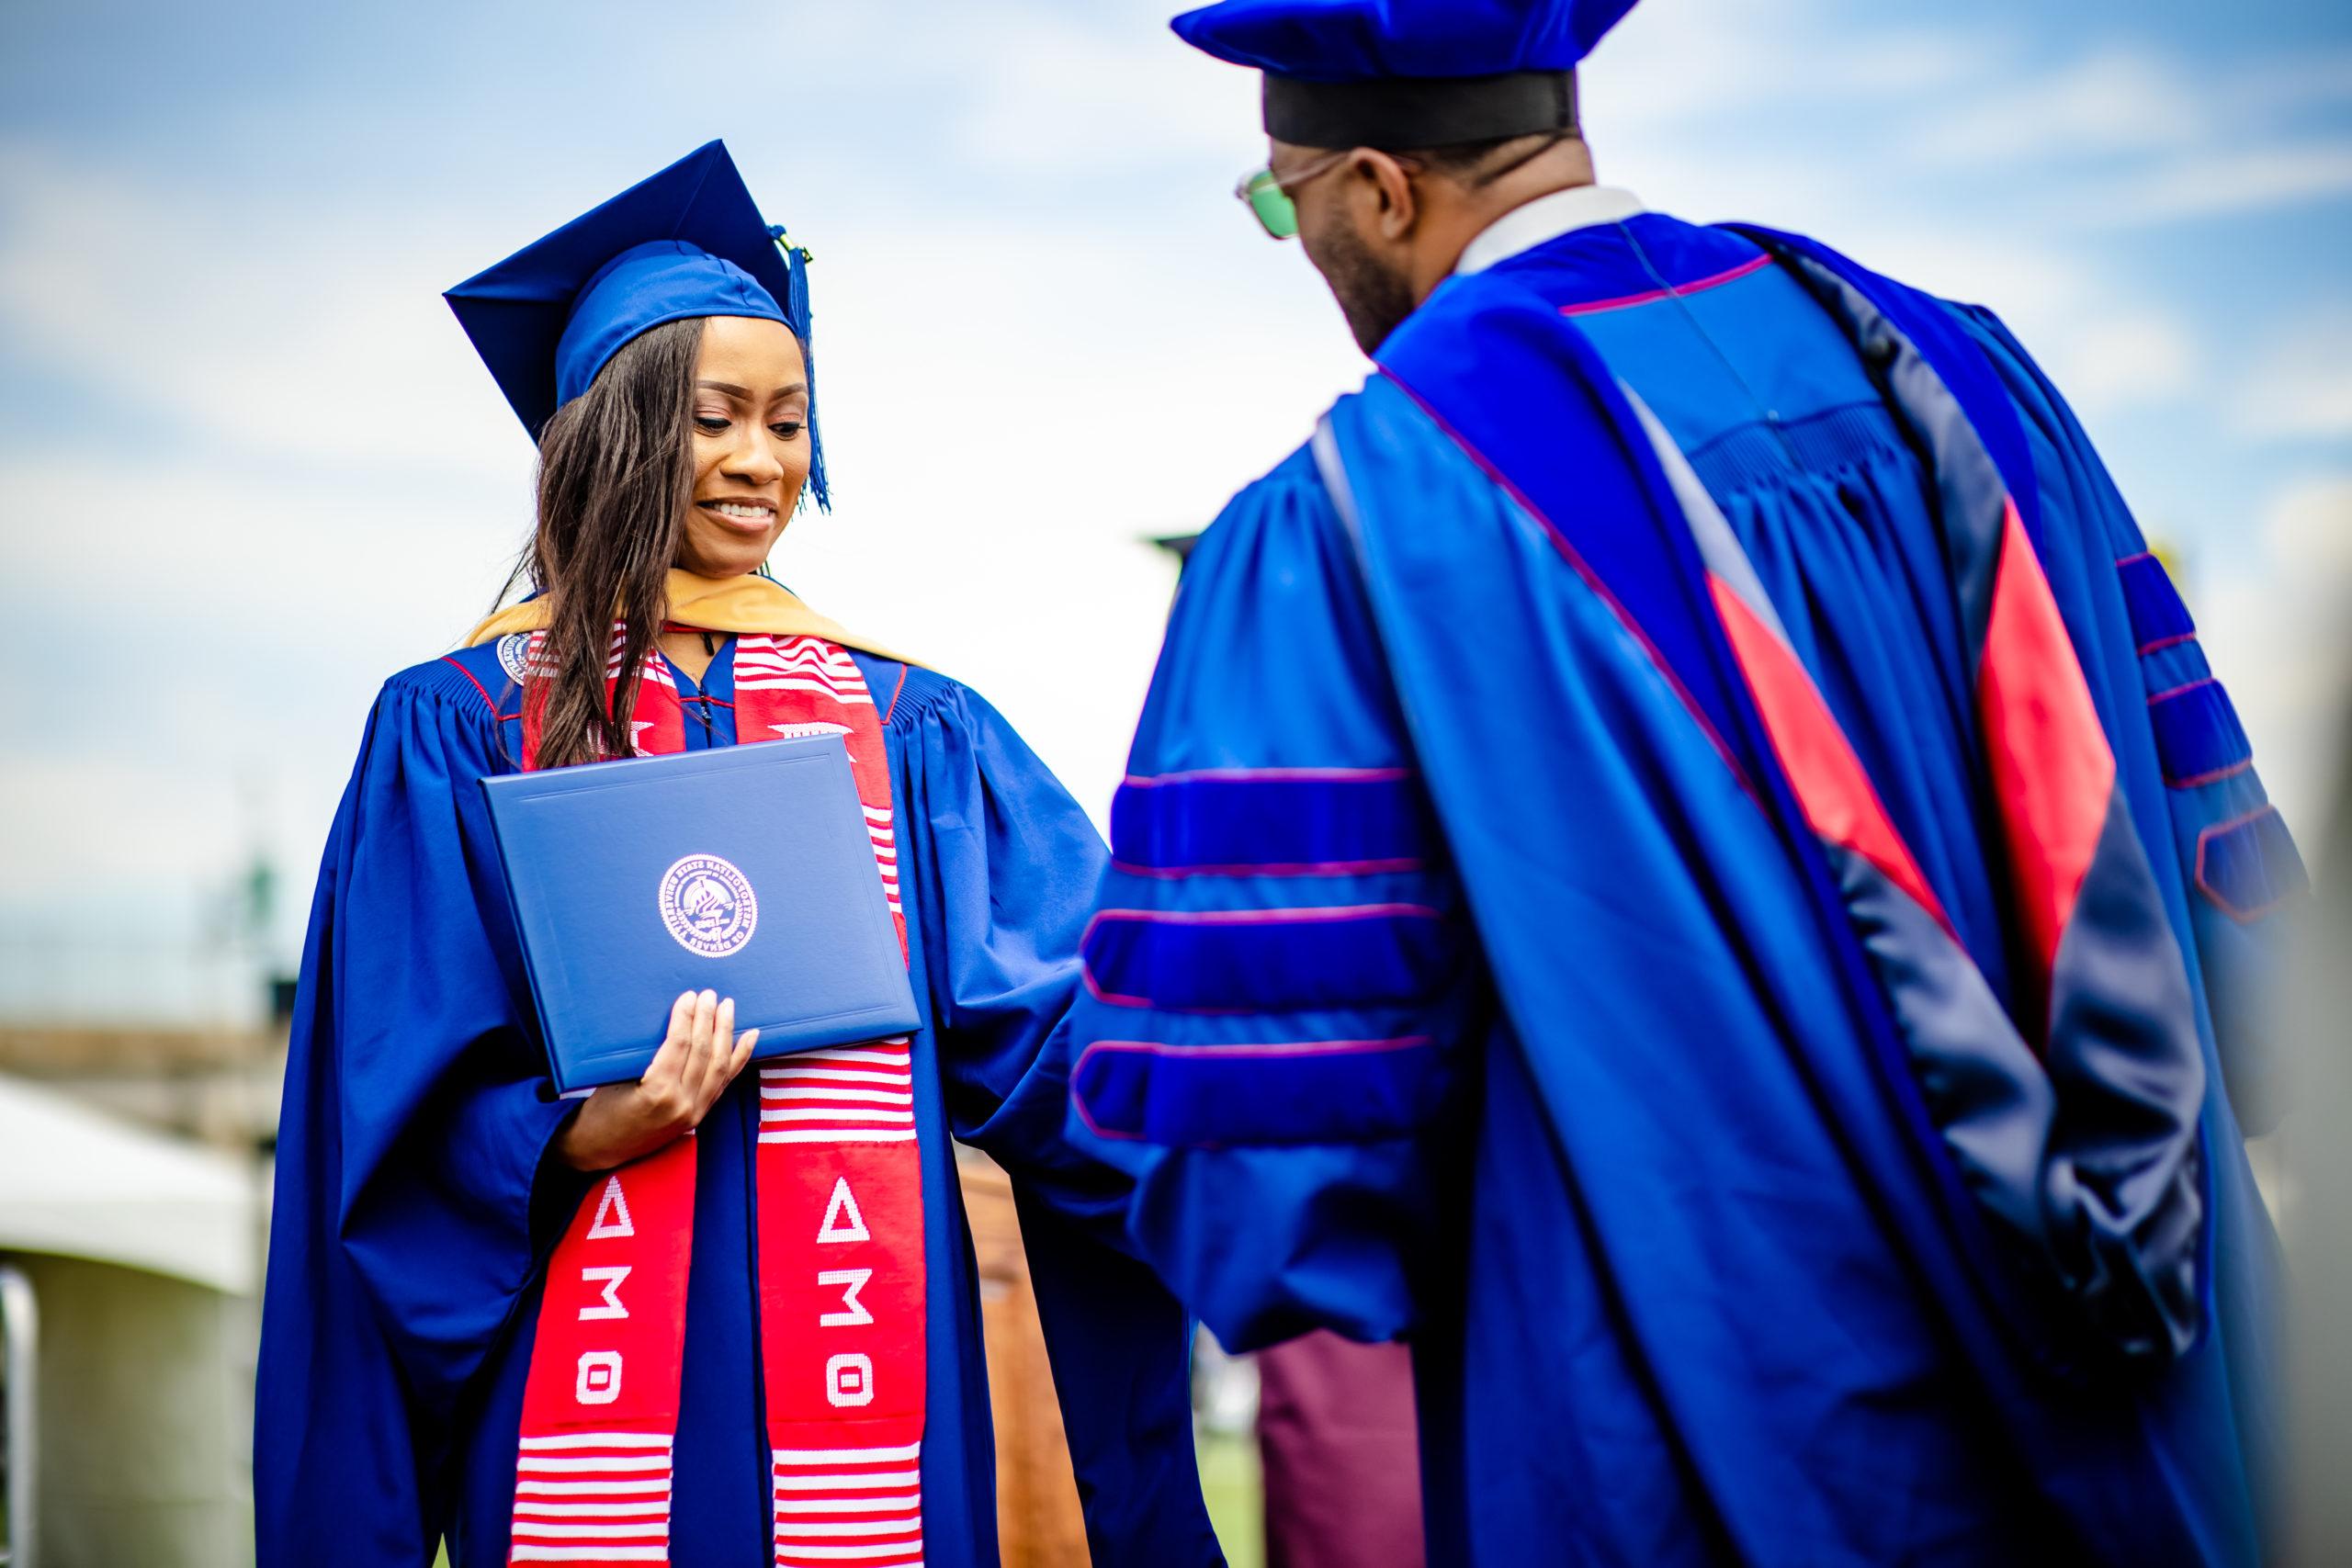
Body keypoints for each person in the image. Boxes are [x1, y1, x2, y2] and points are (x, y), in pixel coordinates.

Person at [1063, 4, 2306, 1563]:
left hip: (1695, 1422)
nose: (1300, 241)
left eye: (1285, 200)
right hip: (2154, 1393)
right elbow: (2230, 910)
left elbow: (1272, 1178)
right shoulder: (1975, 375)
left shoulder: (1364, 512)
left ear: (1379, 189)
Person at [255, 141, 1222, 1568]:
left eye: (789, 420)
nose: (763, 461)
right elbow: (382, 1116)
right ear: (612, 433)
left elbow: (1072, 1029)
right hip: (580, 1390)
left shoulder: (908, 725)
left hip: (872, 1380)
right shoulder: (456, 726)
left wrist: (1288, 1098)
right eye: (716, 418)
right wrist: (577, 1127)